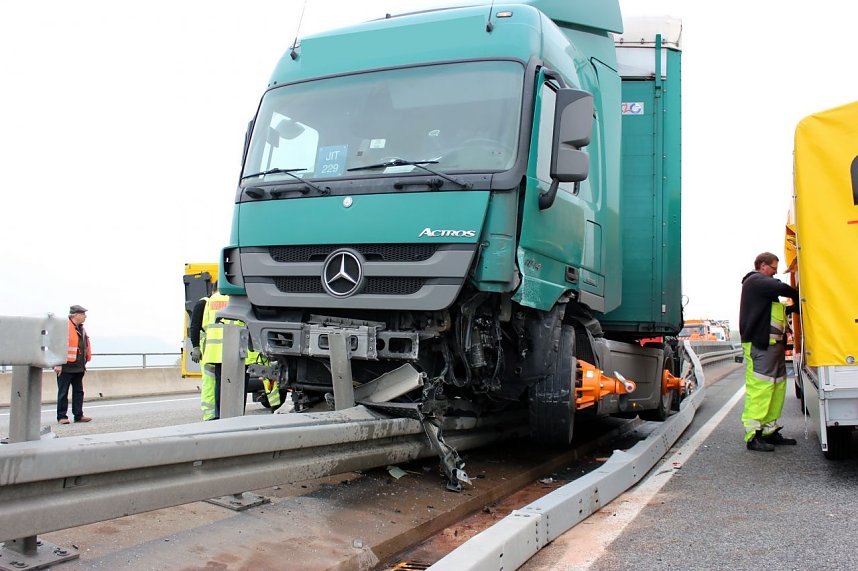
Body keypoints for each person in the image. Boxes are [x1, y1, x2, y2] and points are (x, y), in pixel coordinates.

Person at [739, 252, 800, 452]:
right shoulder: (755, 281)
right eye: (773, 268)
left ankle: (769, 431)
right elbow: (782, 288)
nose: (774, 273)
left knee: (776, 387)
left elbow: (775, 313)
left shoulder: (764, 293)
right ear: (763, 266)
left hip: (774, 347)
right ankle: (753, 436)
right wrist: (799, 292)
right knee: (761, 390)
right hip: (760, 346)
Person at [54, 305, 92, 424]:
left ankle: (78, 415)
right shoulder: (64, 327)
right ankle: (62, 417)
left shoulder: (81, 328)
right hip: (65, 366)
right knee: (63, 392)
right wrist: (58, 364)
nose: (85, 316)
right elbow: (57, 346)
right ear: (75, 315)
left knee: (78, 392)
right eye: (83, 314)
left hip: (79, 367)